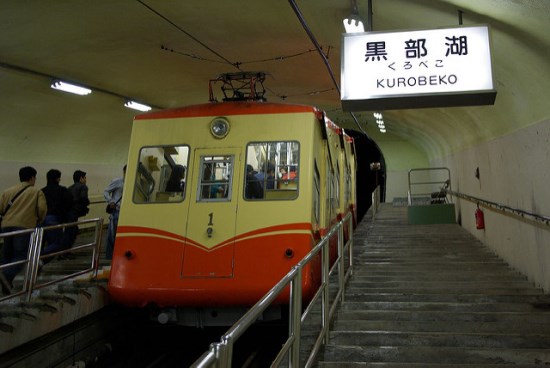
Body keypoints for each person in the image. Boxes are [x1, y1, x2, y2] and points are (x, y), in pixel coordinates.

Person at [0, 166, 47, 295]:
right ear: (32, 178)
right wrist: (38, 221)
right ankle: (6, 275)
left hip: (6, 226)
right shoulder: (36, 192)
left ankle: (6, 281)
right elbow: (42, 209)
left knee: (7, 253)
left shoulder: (8, 191)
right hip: (24, 226)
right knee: (21, 255)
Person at [40, 169, 73, 263]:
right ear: (58, 179)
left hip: (41, 220)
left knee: (41, 243)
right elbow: (69, 203)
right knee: (58, 243)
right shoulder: (62, 190)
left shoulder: (42, 191)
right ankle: (39, 259)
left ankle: (39, 261)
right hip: (54, 219)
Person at [61, 170, 90, 258]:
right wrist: (86, 203)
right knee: (72, 232)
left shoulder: (70, 188)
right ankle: (65, 252)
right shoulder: (83, 187)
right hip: (75, 212)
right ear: (81, 178)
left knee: (69, 230)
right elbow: (83, 198)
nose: (85, 180)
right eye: (84, 178)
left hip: (68, 212)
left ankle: (64, 251)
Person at [103, 165, 126, 260]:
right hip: (116, 210)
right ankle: (110, 256)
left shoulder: (134, 182)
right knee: (112, 233)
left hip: (125, 212)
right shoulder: (118, 181)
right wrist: (111, 201)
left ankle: (119, 253)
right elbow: (105, 191)